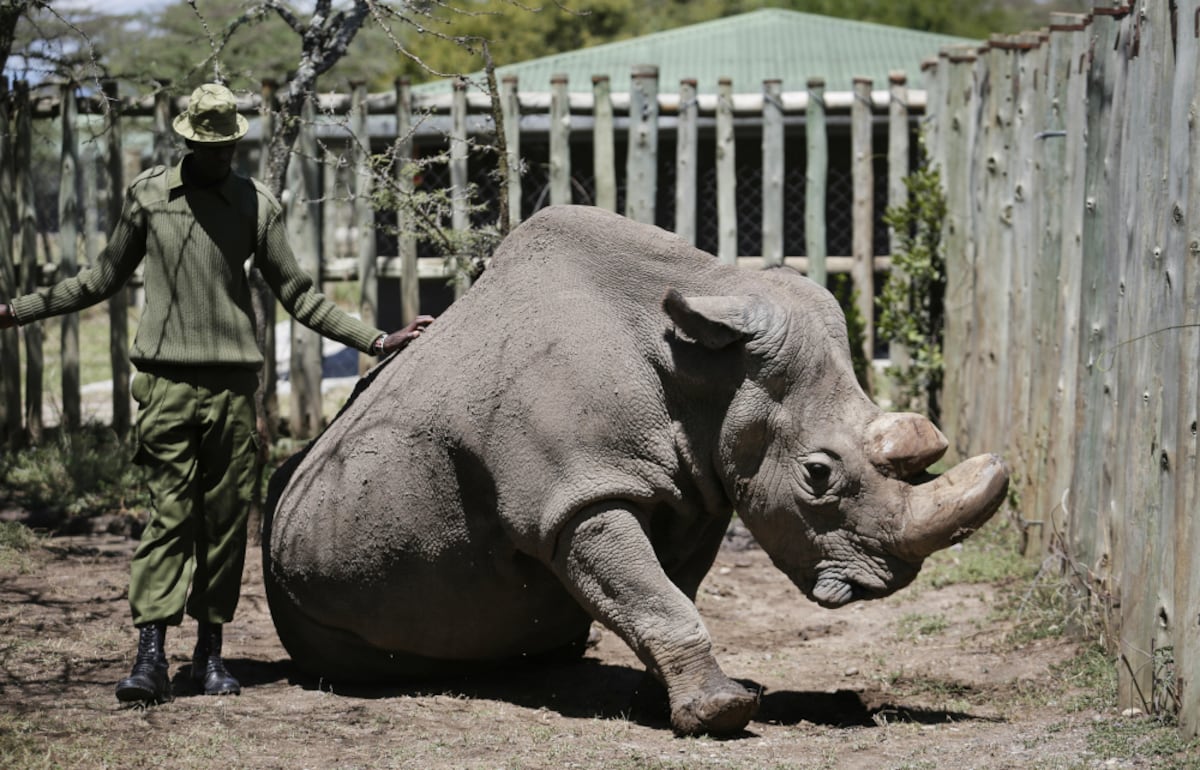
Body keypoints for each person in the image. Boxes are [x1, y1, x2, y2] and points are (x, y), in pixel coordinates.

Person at [0, 83, 433, 706]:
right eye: (211, 146)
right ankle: (149, 656)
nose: (222, 155)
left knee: (225, 524)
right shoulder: (149, 197)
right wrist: (16, 311)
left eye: (230, 144)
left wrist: (376, 340)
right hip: (167, 385)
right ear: (188, 141)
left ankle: (209, 654)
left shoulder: (257, 205)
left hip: (232, 390)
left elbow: (299, 293)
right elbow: (99, 279)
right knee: (168, 518)